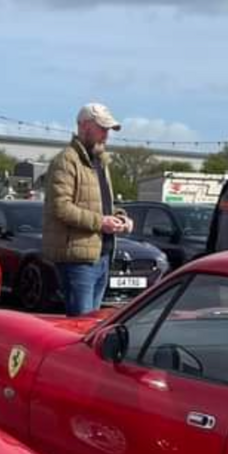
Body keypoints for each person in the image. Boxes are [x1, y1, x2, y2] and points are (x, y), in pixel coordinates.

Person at [42, 103, 133, 317]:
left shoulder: (100, 161)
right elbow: (61, 207)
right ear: (83, 126)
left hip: (102, 255)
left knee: (92, 324)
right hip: (78, 260)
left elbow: (103, 205)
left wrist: (120, 218)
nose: (106, 135)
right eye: (102, 128)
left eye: (108, 129)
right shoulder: (66, 161)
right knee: (81, 325)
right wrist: (101, 222)